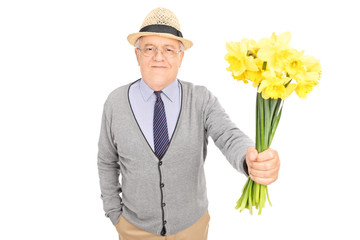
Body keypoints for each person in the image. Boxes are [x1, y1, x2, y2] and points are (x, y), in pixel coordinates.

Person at [97, 7, 280, 240]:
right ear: (137, 55)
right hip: (133, 229)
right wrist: (115, 214)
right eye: (150, 48)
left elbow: (228, 135)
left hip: (192, 229)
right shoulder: (115, 102)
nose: (158, 56)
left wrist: (250, 158)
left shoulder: (201, 99)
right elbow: (106, 160)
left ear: (181, 57)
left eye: (169, 49)